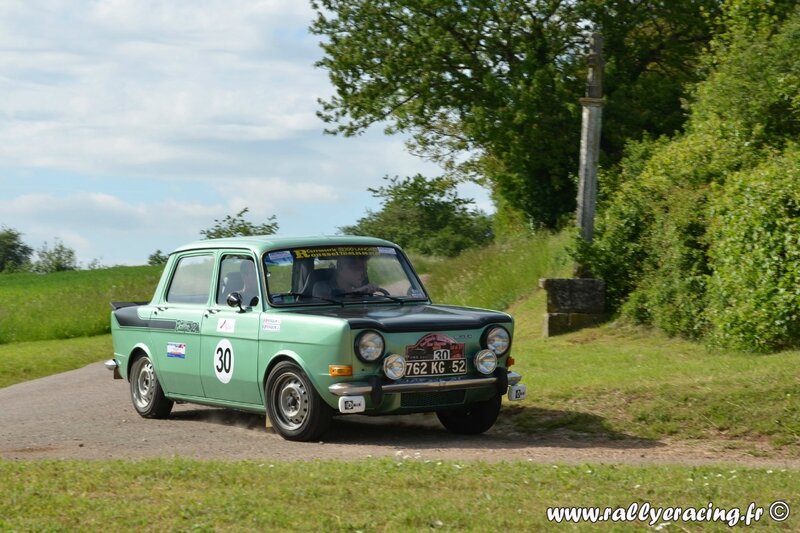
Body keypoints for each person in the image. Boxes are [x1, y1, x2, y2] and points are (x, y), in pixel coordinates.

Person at [312, 255, 380, 299]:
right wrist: (357, 292)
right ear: (340, 269)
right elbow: (327, 301)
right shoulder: (322, 287)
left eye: (365, 270)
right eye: (358, 269)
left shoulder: (362, 290)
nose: (365, 275)